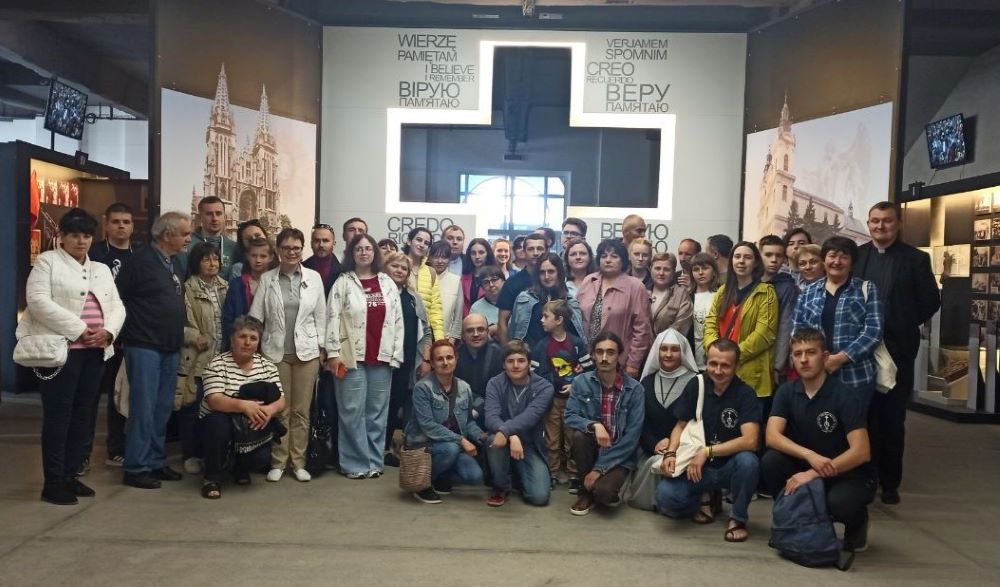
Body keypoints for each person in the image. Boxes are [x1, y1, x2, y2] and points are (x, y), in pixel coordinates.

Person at [17, 208, 125, 504]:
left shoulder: (100, 269)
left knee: (83, 416)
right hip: (61, 353)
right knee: (58, 416)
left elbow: (117, 306)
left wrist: (109, 332)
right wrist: (79, 329)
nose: (81, 241)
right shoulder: (47, 262)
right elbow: (37, 302)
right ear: (62, 237)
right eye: (74, 235)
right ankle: (53, 482)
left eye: (87, 235)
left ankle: (69, 476)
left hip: (95, 352)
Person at [761, 328, 876, 552]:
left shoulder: (845, 395)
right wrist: (810, 457)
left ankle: (858, 524)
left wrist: (814, 472)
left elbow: (861, 451)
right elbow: (772, 436)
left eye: (811, 353)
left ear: (824, 357)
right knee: (770, 462)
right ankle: (795, 516)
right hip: (808, 465)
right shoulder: (786, 392)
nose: (804, 360)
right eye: (797, 354)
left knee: (840, 504)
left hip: (846, 473)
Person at [855, 201, 939, 505]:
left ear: (898, 223)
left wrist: (900, 322)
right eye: (875, 221)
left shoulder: (915, 259)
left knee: (892, 417)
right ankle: (864, 475)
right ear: (868, 224)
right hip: (860, 350)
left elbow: (930, 300)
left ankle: (890, 482)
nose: (880, 227)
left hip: (897, 349)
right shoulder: (858, 256)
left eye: (887, 221)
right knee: (863, 414)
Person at [655, 339, 761, 542]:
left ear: (736, 366)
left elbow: (750, 441)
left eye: (725, 365)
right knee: (665, 497)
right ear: (706, 362)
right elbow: (680, 425)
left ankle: (737, 518)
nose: (718, 370)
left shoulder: (745, 394)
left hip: (729, 466)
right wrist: (670, 452)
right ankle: (706, 498)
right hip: (696, 468)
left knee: (749, 462)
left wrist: (707, 452)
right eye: (713, 364)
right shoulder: (697, 384)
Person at [117, 211, 191, 489]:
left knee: (162, 408)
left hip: (170, 346)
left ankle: (156, 461)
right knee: (143, 408)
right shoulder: (139, 262)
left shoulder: (175, 262)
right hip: (144, 344)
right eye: (184, 234)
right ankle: (136, 467)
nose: (188, 239)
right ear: (166, 234)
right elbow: (118, 297)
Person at [250, 227, 326, 483]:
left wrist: (323, 349)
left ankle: (299, 462)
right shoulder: (268, 279)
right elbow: (255, 318)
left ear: (302, 250)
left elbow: (321, 317)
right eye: (286, 248)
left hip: (307, 353)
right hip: (276, 353)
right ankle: (278, 462)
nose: (292, 252)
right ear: (278, 251)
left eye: (296, 248)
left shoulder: (314, 278)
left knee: (302, 411)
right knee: (280, 410)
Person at [326, 233, 404, 479]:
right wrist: (332, 353)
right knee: (351, 411)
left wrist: (395, 355)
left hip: (381, 357)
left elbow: (398, 321)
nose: (363, 252)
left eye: (368, 248)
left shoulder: (387, 282)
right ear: (352, 253)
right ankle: (354, 463)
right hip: (350, 357)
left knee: (377, 412)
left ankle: (373, 461)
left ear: (375, 253)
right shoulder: (343, 282)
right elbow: (331, 319)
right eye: (358, 249)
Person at [198, 316, 286, 499]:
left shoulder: (268, 367)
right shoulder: (216, 364)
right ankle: (212, 477)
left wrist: (269, 411)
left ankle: (239, 468)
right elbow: (214, 400)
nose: (247, 342)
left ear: (258, 343)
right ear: (232, 339)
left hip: (250, 426)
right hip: (219, 422)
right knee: (217, 423)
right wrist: (244, 406)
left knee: (261, 458)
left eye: (253, 338)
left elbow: (281, 401)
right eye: (242, 336)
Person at [793, 236, 883, 403]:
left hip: (856, 376)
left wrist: (841, 358)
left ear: (852, 262)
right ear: (824, 260)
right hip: (816, 375)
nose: (837, 261)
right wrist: (814, 360)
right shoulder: (808, 292)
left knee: (854, 426)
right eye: (832, 255)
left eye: (844, 256)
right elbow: (798, 331)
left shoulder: (866, 289)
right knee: (818, 426)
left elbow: (873, 331)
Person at [564, 332, 645, 515]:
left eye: (610, 352)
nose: (604, 358)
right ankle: (585, 492)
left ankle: (602, 486)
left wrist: (600, 469)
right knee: (579, 436)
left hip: (619, 455)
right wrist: (594, 425)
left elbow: (632, 438)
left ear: (619, 356)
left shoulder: (635, 389)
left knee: (603, 494)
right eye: (599, 352)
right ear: (593, 355)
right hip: (592, 449)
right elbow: (569, 416)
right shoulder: (580, 382)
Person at [84, 202, 134, 469]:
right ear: (106, 224)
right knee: (89, 398)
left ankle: (117, 448)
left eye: (126, 221)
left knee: (120, 398)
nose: (121, 226)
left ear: (133, 226)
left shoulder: (139, 256)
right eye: (116, 221)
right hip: (94, 338)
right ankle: (82, 454)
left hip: (125, 338)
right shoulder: (94, 254)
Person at [406, 340, 487, 503]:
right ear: (433, 363)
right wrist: (461, 440)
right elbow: (428, 425)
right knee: (449, 449)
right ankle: (422, 484)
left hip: (453, 446)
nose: (445, 363)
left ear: (456, 359)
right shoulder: (423, 388)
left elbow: (469, 422)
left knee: (475, 476)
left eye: (449, 357)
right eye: (439, 359)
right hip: (424, 445)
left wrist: (481, 436)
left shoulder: (464, 388)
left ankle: (440, 476)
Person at [627, 329, 698, 511]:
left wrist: (674, 445)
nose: (668, 354)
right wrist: (655, 445)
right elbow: (639, 421)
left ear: (682, 352)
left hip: (684, 449)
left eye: (674, 349)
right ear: (656, 351)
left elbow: (697, 422)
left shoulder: (695, 382)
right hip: (650, 449)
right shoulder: (646, 382)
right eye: (663, 349)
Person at [529, 299, 593, 492]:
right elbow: (534, 374)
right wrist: (549, 386)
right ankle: (553, 472)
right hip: (552, 401)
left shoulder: (575, 343)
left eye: (545, 316)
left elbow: (589, 369)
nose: (541, 320)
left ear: (559, 320)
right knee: (552, 438)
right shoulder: (541, 345)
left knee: (572, 437)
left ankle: (574, 474)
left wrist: (575, 385)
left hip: (574, 401)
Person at [177, 242, 229, 476]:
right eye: (206, 259)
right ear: (196, 263)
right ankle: (191, 454)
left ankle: (214, 454)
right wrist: (195, 336)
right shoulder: (187, 288)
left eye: (215, 259)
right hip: (198, 358)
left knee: (216, 410)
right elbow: (180, 323)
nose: (212, 263)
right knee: (192, 408)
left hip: (222, 359)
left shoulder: (226, 287)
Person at [704, 241, 778, 402]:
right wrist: (715, 351)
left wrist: (732, 357)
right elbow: (710, 322)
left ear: (756, 262)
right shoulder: (723, 291)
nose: (741, 261)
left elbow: (765, 334)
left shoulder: (766, 292)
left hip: (751, 374)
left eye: (747, 257)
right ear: (731, 261)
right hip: (719, 373)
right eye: (737, 256)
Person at [485, 340, 555, 507]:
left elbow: (531, 416)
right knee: (493, 439)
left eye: (521, 361)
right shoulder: (495, 383)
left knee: (539, 497)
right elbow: (490, 417)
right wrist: (510, 435)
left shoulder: (544, 387)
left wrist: (507, 430)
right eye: (510, 361)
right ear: (503, 365)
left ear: (529, 364)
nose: (516, 366)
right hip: (501, 441)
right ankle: (501, 486)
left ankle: (516, 474)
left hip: (530, 444)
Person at [382, 251, 432, 467]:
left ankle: (385, 448)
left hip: (407, 361)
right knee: (379, 406)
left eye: (404, 268)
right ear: (386, 268)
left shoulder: (413, 298)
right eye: (395, 266)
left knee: (395, 405)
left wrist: (426, 359)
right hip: (381, 360)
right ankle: (374, 447)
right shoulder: (378, 293)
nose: (400, 271)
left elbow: (426, 330)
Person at [576, 239, 653, 378]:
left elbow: (642, 330)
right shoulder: (588, 281)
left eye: (614, 256)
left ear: (623, 260)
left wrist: (633, 363)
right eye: (604, 256)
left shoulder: (635, 286)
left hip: (619, 360)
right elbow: (576, 318)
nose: (608, 260)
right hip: (587, 359)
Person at [510, 253, 585, 348]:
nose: (546, 277)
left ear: (559, 273)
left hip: (564, 358)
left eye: (551, 271)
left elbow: (579, 337)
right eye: (542, 272)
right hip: (532, 356)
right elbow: (513, 333)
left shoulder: (570, 302)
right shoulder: (524, 298)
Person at [759, 234, 799, 384]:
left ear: (784, 258)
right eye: (768, 255)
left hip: (772, 357)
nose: (774, 260)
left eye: (778, 255)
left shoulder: (787, 286)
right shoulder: (750, 281)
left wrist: (777, 366)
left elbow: (785, 325)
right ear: (759, 255)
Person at [222, 237, 275, 349]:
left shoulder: (276, 284)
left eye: (263, 256)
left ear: (271, 257)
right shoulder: (237, 284)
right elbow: (227, 317)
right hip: (241, 343)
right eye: (254, 256)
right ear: (247, 256)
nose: (258, 260)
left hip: (269, 345)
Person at [496, 233, 548, 345]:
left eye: (540, 249)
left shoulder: (553, 281)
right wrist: (508, 352)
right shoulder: (512, 283)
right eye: (531, 249)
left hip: (550, 347)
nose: (535, 253)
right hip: (523, 348)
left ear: (547, 251)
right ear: (523, 252)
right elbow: (502, 322)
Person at [455, 313, 504, 427]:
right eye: (470, 330)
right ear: (462, 335)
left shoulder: (500, 356)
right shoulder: (455, 357)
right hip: (463, 413)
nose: (476, 334)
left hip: (495, 415)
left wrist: (478, 409)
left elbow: (500, 394)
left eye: (480, 329)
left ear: (488, 332)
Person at [179, 196, 237, 281]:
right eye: (209, 214)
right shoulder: (186, 244)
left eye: (218, 213)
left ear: (225, 217)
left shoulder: (234, 247)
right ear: (200, 217)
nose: (214, 219)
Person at [403, 227, 444, 341]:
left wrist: (440, 339)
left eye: (426, 243)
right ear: (409, 241)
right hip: (401, 329)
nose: (422, 245)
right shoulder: (398, 267)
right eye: (419, 240)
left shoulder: (431, 272)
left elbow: (436, 309)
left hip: (424, 334)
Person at [427, 240, 463, 342]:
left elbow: (458, 315)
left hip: (446, 338)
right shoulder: (422, 278)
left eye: (444, 257)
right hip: (422, 338)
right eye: (436, 257)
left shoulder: (455, 280)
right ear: (429, 258)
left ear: (449, 259)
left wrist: (452, 339)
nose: (440, 261)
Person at [650, 252, 693, 337]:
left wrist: (658, 343)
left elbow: (680, 327)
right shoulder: (641, 292)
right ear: (650, 269)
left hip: (669, 347)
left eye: (666, 269)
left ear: (673, 272)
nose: (661, 273)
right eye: (657, 268)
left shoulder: (681, 294)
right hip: (642, 348)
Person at [690, 252, 721, 369]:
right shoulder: (687, 297)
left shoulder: (721, 294)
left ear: (714, 271)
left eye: (705, 268)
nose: (700, 272)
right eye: (696, 269)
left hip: (716, 357)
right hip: (693, 360)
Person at [460, 238, 496, 315]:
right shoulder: (463, 278)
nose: (477, 256)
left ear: (488, 254)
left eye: (481, 252)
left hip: (489, 322)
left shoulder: (496, 278)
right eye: (473, 253)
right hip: (467, 322)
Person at [303, 223, 342, 294]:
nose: (321, 245)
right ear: (311, 244)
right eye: (317, 241)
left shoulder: (343, 272)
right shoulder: (301, 269)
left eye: (325, 240)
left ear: (334, 243)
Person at [470, 265, 505, 332]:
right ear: (482, 287)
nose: (491, 285)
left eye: (494, 280)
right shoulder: (476, 308)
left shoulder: (513, 302)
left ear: (503, 281)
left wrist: (494, 329)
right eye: (486, 282)